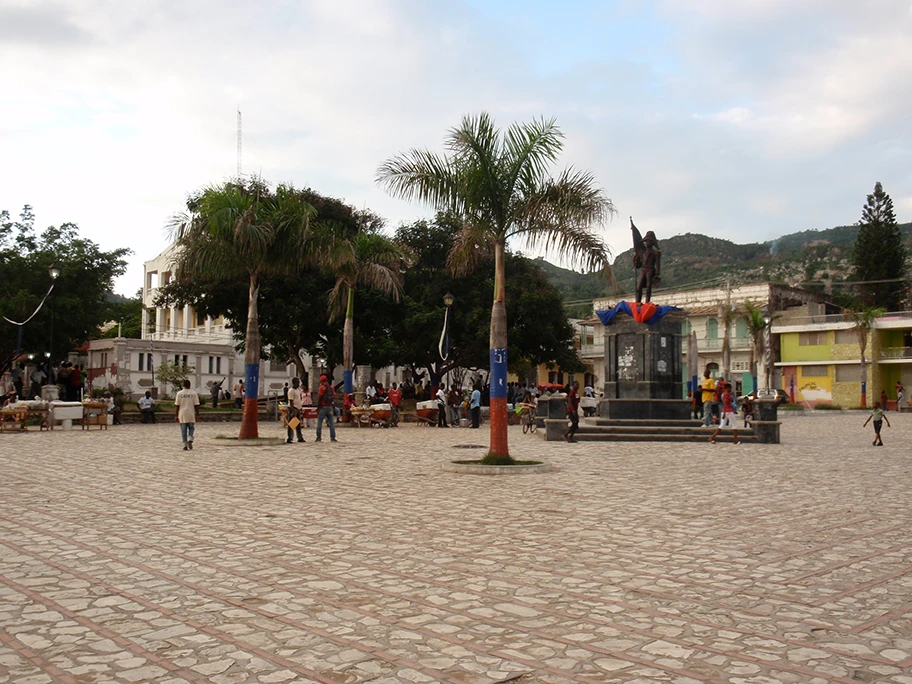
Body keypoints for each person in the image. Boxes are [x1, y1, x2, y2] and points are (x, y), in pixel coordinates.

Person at [631, 219, 661, 305]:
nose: (647, 243)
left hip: (650, 269)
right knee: (639, 286)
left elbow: (657, 264)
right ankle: (638, 302)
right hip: (643, 269)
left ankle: (647, 302)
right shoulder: (642, 252)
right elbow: (639, 264)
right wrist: (635, 261)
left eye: (649, 241)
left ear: (652, 242)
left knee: (648, 286)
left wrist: (657, 273)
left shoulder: (655, 253)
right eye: (646, 241)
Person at [174, 379, 200, 450]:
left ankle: (185, 445)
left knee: (183, 430)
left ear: (183, 385)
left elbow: (177, 405)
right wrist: (198, 414)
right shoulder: (194, 393)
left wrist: (176, 415)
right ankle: (190, 437)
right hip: (191, 413)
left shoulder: (179, 393)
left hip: (182, 414)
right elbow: (196, 405)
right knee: (191, 427)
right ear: (190, 385)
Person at [315, 375, 338, 442]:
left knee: (320, 422)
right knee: (332, 423)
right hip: (330, 407)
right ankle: (333, 437)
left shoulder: (322, 388)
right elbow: (333, 397)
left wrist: (318, 407)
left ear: (322, 381)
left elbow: (320, 398)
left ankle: (318, 437)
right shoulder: (331, 387)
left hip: (323, 407)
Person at [285, 377, 306, 443]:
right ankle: (290, 438)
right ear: (294, 383)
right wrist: (293, 411)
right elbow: (291, 401)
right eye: (297, 382)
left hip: (298, 408)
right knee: (291, 424)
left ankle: (300, 437)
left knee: (298, 424)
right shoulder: (291, 391)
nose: (299, 384)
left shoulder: (297, 390)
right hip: (293, 408)